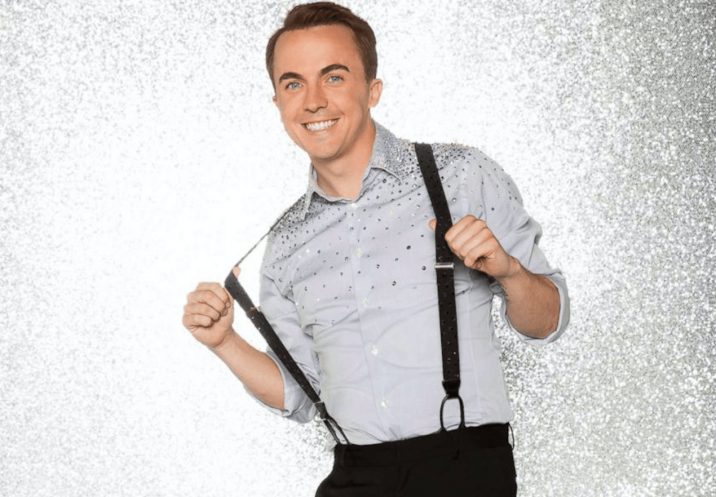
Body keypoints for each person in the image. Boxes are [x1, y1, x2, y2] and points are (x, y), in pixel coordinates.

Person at [182, 2, 570, 495]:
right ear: (278, 102)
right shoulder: (285, 244)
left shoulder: (459, 175)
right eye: (294, 84)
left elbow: (549, 321)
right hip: (355, 476)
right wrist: (224, 342)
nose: (314, 101)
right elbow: (298, 394)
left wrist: (511, 272)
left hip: (463, 470)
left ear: (372, 89)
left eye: (334, 77)